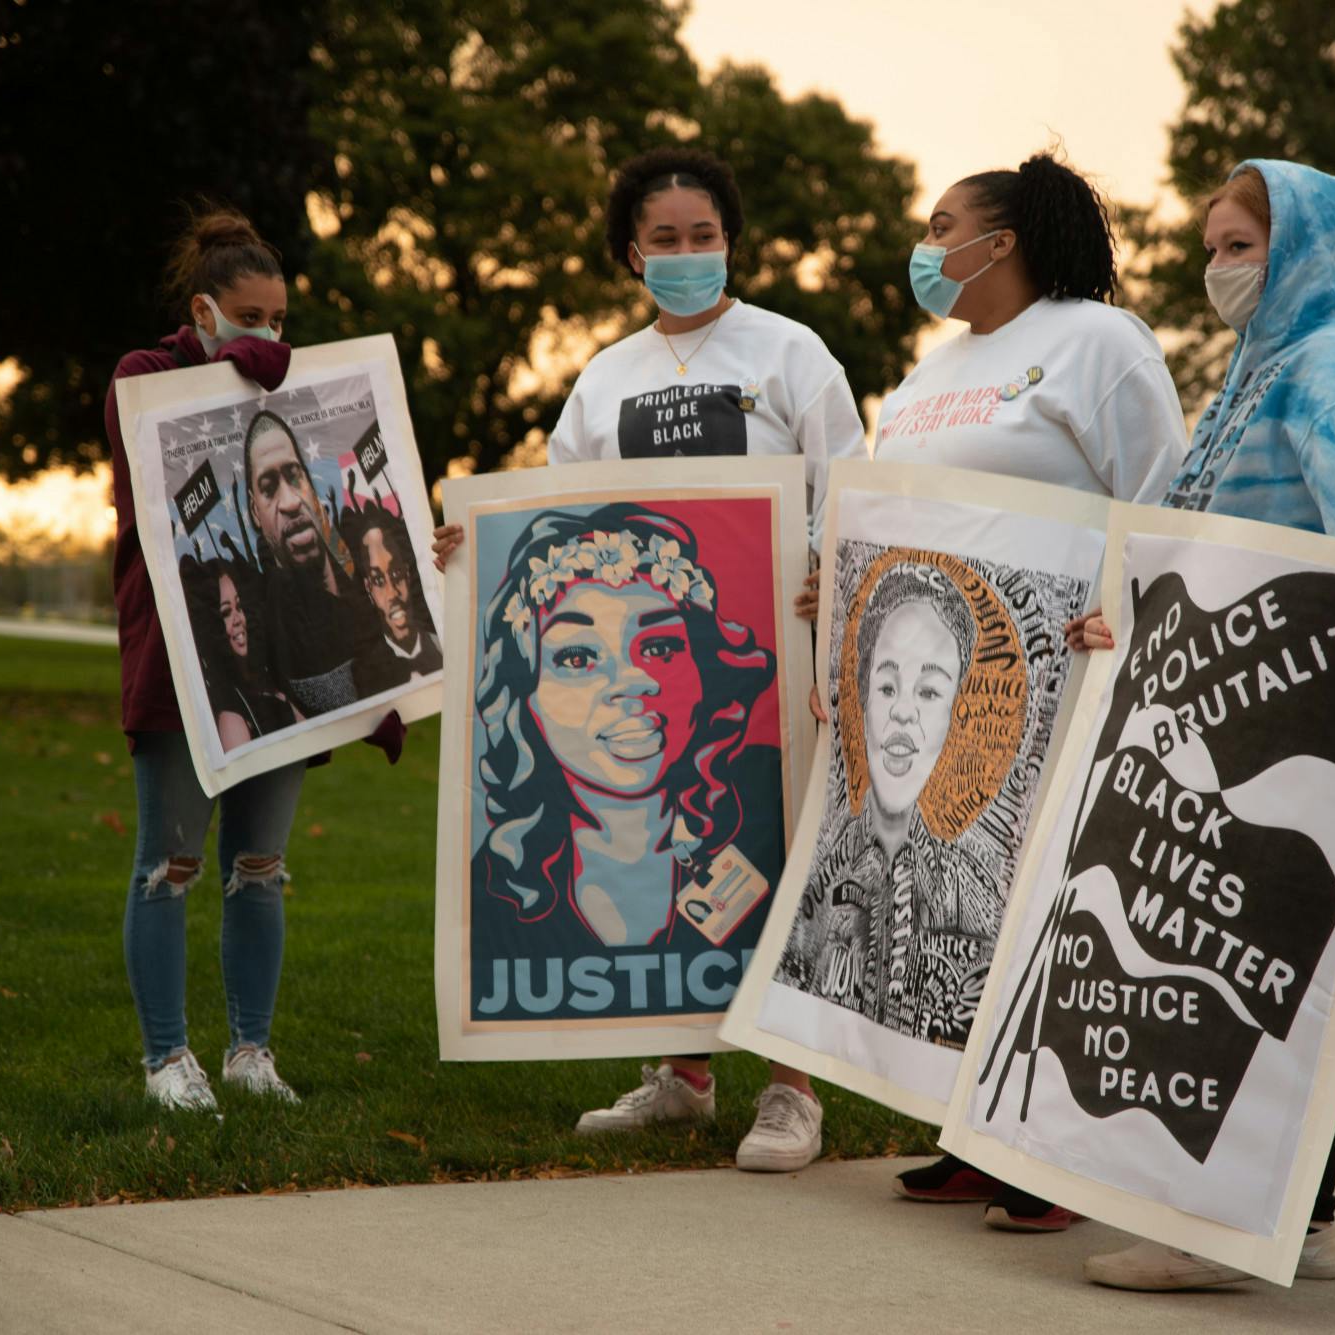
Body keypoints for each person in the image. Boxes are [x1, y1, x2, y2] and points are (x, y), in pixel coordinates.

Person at [435, 145, 870, 1173]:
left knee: (765, 838)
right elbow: (552, 511)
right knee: (672, 835)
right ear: (631, 252)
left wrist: (832, 578)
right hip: (634, 667)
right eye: (664, 239)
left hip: (768, 649)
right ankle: (684, 1074)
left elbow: (851, 487)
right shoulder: (604, 376)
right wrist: (472, 549)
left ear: (731, 240)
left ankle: (790, 1088)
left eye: (702, 236)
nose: (685, 254)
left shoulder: (791, 354)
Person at [1074, 159, 1335, 1291]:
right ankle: (1293, 1220)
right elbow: (1195, 542)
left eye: (1240, 244)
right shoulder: (1253, 373)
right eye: (1210, 246)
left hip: (1299, 716)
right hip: (1222, 705)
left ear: (1304, 249)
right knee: (1240, 941)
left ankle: (1250, 1230)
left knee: (1264, 950)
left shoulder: (1329, 367)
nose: (1216, 268)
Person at [836, 151, 1189, 1231]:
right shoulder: (933, 369)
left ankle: (1055, 1157)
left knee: (1053, 904)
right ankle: (973, 1131)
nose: (924, 243)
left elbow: (1164, 494)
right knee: (966, 914)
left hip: (1062, 673)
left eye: (941, 223)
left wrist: (1136, 616)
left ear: (1005, 238)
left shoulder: (1099, 343)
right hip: (933, 687)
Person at [105, 208, 307, 1110]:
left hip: (278, 664)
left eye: (280, 320)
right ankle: (166, 1058)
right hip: (180, 663)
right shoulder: (144, 377)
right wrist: (241, 370)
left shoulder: (287, 388)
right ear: (203, 309)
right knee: (169, 864)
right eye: (250, 316)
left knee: (259, 865)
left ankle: (250, 1052)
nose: (269, 335)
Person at [469, 504, 779, 956]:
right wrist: (455, 567)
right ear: (526, 698)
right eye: (577, 658)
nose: (633, 681)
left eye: (659, 646)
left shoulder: (773, 802)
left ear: (703, 670)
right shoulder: (493, 889)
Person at [775, 562, 1002, 1040]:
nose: (902, 711)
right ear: (859, 695)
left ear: (954, 715)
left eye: (929, 691)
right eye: (886, 685)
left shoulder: (974, 897)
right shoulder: (816, 874)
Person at [242, 410, 365, 716]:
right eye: (269, 488)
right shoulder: (265, 631)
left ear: (311, 484)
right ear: (255, 512)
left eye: (295, 477)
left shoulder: (369, 569)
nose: (290, 502)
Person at [188, 561, 302, 750]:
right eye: (225, 613)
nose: (238, 619)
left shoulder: (268, 683)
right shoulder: (231, 715)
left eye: (239, 607)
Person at [349, 505, 441, 696]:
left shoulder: (446, 643)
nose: (391, 593)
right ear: (368, 589)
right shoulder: (363, 677)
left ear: (408, 575)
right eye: (378, 580)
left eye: (396, 573)